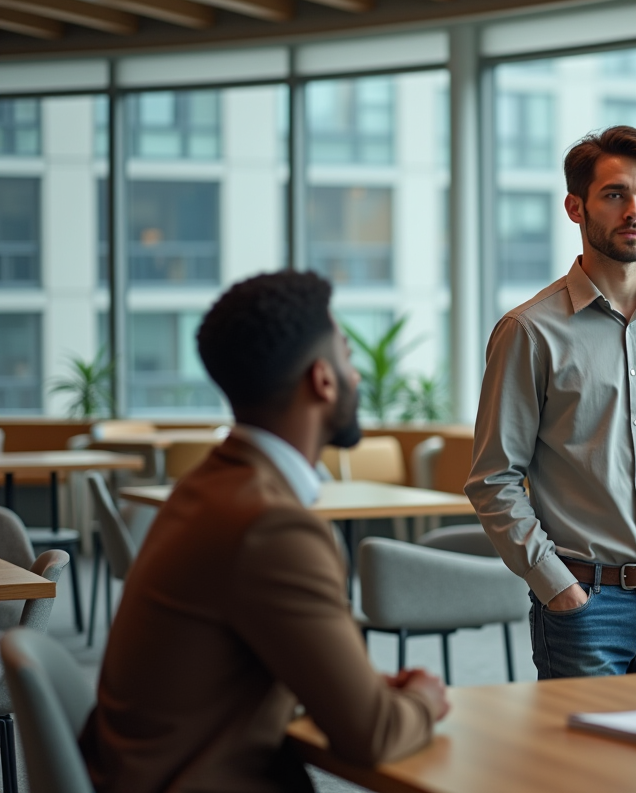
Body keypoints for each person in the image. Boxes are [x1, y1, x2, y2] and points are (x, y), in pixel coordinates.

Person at [80, 270, 449, 793]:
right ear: (323, 379)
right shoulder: (271, 527)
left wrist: (356, 689)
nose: (356, 375)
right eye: (347, 357)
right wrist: (425, 699)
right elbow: (373, 734)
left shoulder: (207, 488)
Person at [465, 125, 636, 678]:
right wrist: (557, 587)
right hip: (585, 606)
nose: (633, 210)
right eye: (614, 194)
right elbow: (494, 478)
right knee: (584, 741)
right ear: (575, 207)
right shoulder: (529, 332)